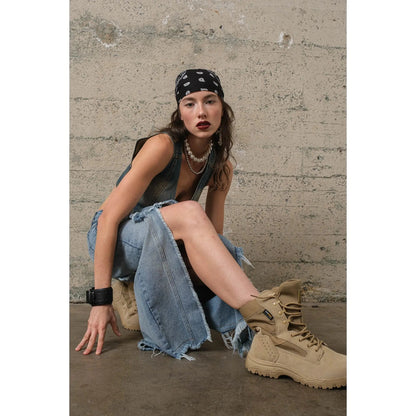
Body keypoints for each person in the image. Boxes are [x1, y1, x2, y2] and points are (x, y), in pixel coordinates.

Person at [75, 69, 346, 389]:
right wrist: (100, 300)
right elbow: (108, 219)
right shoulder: (162, 146)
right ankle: (272, 325)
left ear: (222, 109)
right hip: (117, 240)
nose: (201, 112)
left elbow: (210, 241)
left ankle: (262, 338)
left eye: (209, 101)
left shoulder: (220, 166)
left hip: (162, 246)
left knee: (222, 248)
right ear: (180, 113)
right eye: (189, 104)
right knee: (190, 212)